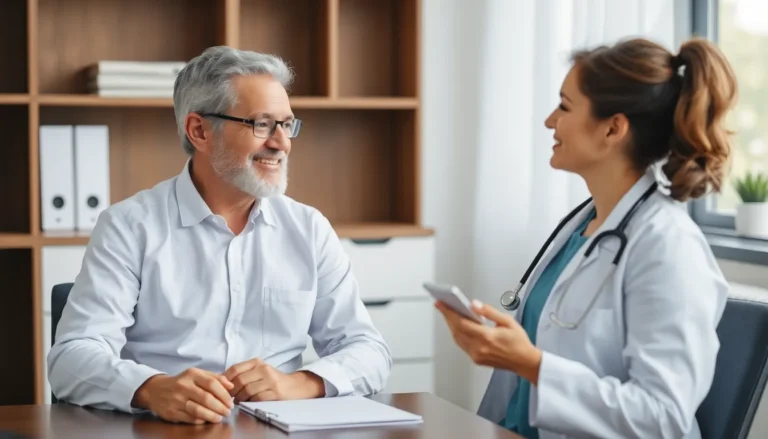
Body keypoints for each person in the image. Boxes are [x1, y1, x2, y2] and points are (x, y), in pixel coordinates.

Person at [48, 46, 392, 424]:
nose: (281, 143)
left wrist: (299, 383)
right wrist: (152, 388)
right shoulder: (128, 227)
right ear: (199, 131)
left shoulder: (309, 229)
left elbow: (369, 352)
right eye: (262, 124)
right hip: (167, 429)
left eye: (287, 124)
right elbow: (70, 358)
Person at [436, 36, 737, 439]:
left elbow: (662, 418)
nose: (550, 121)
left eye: (564, 106)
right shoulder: (582, 224)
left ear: (613, 128)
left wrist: (531, 364)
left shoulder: (669, 247)